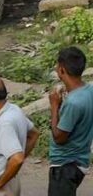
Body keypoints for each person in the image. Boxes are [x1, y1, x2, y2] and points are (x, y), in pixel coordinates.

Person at [49, 47, 93, 196]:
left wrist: (54, 106)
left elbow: (59, 137)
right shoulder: (89, 90)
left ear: (61, 70)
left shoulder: (74, 102)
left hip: (65, 165)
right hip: (79, 159)